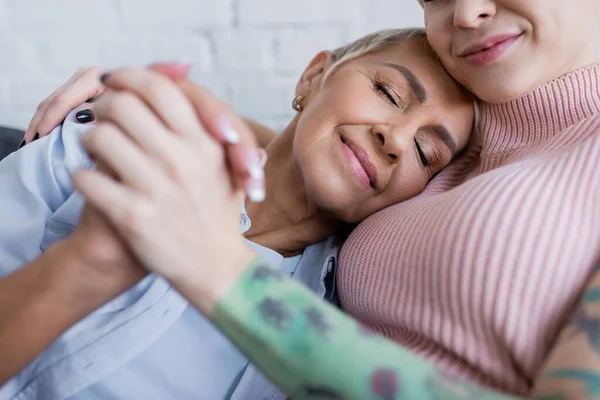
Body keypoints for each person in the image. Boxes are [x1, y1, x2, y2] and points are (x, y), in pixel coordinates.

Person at [41, 0, 600, 398]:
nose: (464, 13)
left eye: (427, 151)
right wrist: (148, 97)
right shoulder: (473, 133)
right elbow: (333, 149)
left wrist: (218, 270)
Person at [0, 28, 475, 399]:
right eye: (389, 93)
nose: (395, 139)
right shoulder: (105, 140)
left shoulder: (325, 320)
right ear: (313, 77)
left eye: (425, 150)